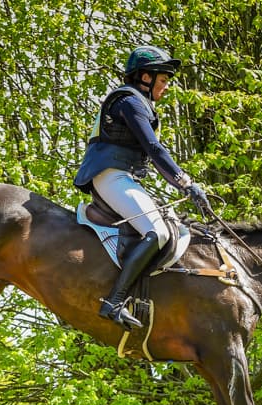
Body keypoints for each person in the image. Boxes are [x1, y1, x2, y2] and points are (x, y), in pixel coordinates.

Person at [74, 45, 213, 330]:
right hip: (110, 175)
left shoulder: (138, 102)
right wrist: (186, 183)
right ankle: (114, 302)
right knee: (158, 232)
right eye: (163, 80)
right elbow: (153, 148)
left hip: (122, 177)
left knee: (170, 226)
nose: (166, 87)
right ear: (145, 77)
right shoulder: (129, 101)